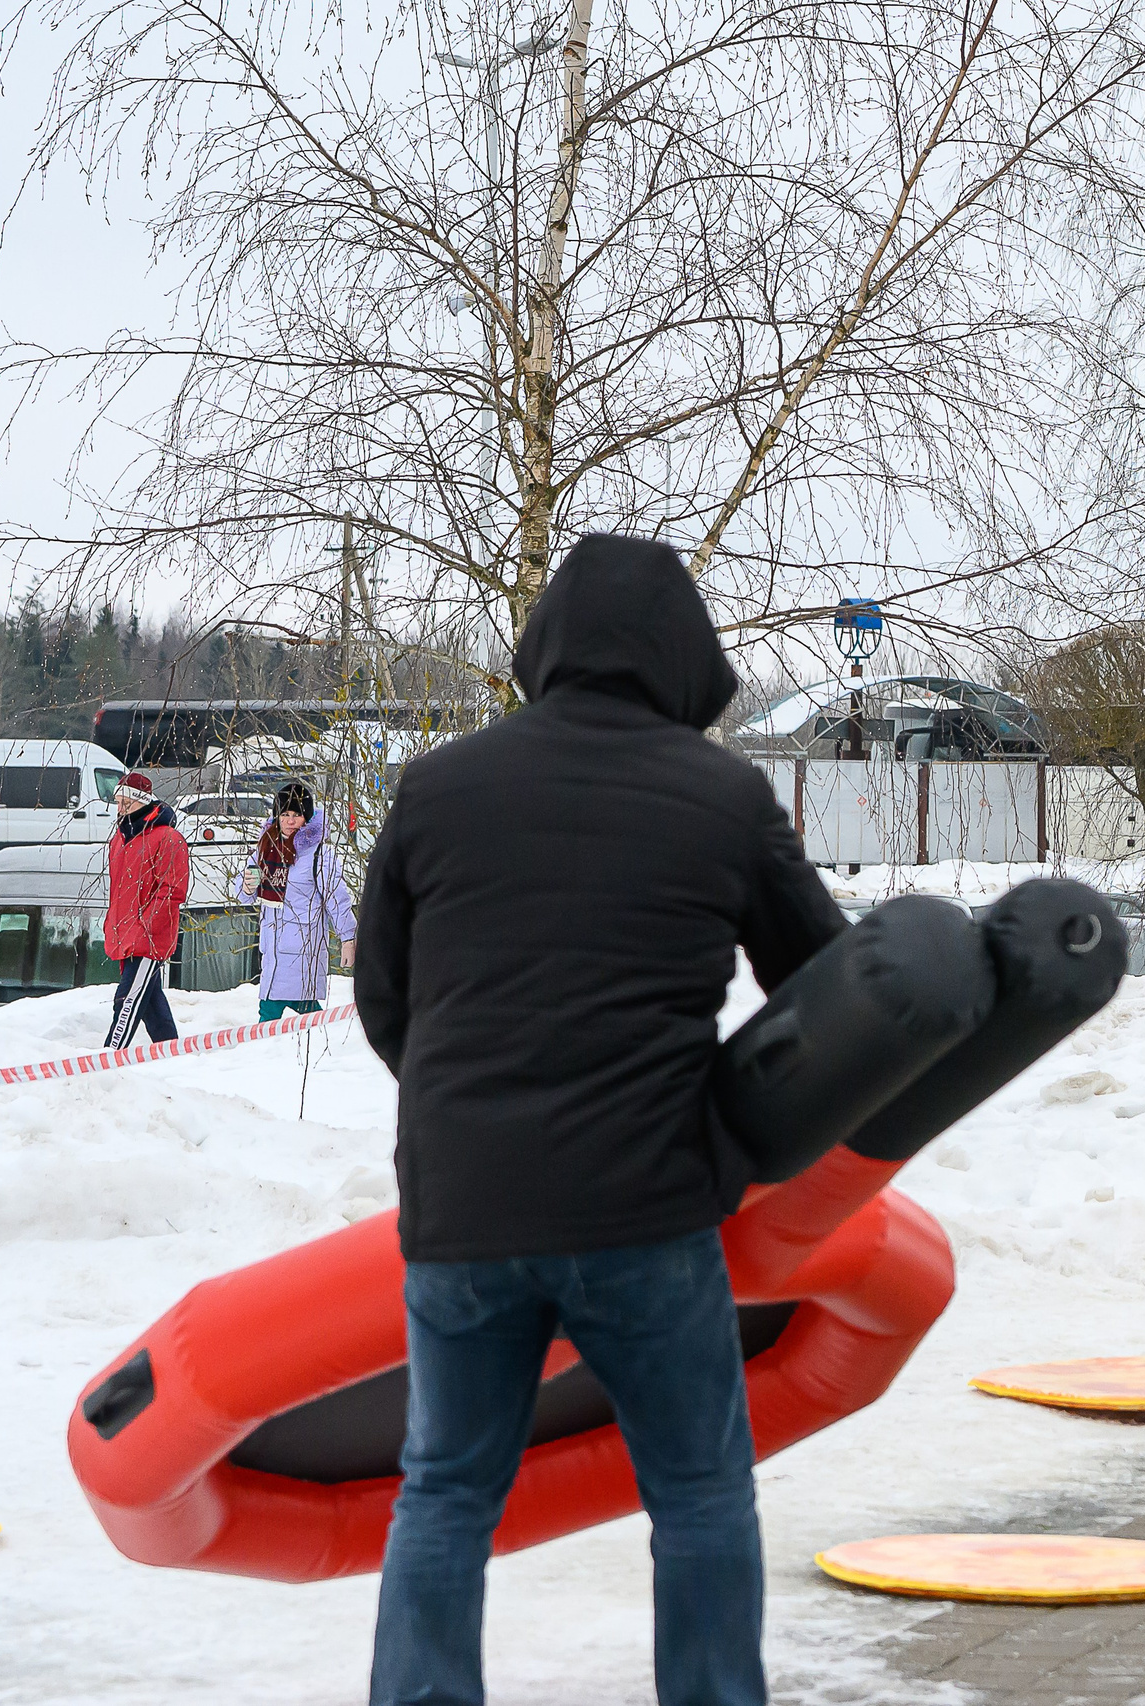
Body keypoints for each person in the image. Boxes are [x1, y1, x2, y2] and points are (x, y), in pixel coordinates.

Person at [356, 534, 843, 1706]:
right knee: (698, 1490)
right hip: (647, 1204)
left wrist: (468, 1115)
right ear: (686, 657)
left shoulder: (436, 787)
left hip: (462, 1209)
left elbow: (383, 1000)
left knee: (445, 1491)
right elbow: (825, 988)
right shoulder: (723, 794)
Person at [241, 780, 358, 1025]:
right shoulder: (265, 847)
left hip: (303, 950)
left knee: (300, 1014)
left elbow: (336, 899)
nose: (290, 820)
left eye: (296, 814)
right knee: (277, 1013)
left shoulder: (318, 854)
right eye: (285, 814)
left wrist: (348, 938)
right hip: (272, 949)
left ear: (307, 817)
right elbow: (244, 895)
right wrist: (246, 886)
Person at [102, 771, 190, 1050]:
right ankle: (172, 1054)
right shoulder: (119, 839)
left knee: (126, 1001)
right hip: (123, 932)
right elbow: (117, 889)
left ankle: (108, 1057)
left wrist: (145, 927)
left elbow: (171, 891)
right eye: (118, 802)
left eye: (126, 802)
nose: (121, 808)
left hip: (147, 938)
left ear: (143, 802)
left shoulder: (169, 838)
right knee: (152, 1005)